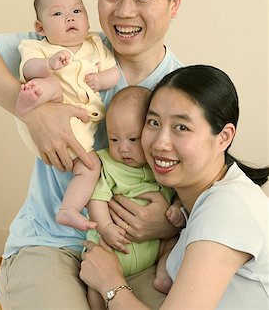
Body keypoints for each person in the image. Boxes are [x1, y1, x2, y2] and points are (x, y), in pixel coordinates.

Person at [0, 0, 186, 309]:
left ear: (174, 2)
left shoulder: (185, 88)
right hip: (50, 243)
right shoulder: (72, 47)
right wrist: (34, 114)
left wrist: (170, 221)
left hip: (140, 251)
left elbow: (203, 178)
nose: (124, 11)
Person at [80, 65, 269, 310]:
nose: (160, 143)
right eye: (153, 122)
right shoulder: (195, 202)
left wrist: (110, 283)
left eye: (181, 127)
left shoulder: (227, 208)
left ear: (223, 137)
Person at [15, 0, 120, 231]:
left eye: (77, 11)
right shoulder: (38, 46)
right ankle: (25, 104)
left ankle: (68, 209)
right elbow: (28, 68)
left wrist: (101, 80)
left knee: (90, 167)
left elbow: (113, 72)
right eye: (58, 13)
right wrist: (49, 64)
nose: (69, 18)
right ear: (40, 27)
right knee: (50, 84)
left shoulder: (95, 44)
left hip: (81, 126)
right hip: (45, 116)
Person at [86, 85, 185, 309]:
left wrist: (177, 207)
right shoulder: (107, 164)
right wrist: (106, 228)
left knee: (175, 242)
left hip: (152, 248)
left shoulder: (160, 164)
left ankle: (163, 272)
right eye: (113, 139)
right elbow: (96, 199)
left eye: (133, 139)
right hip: (113, 244)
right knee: (95, 278)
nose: (123, 149)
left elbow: (178, 192)